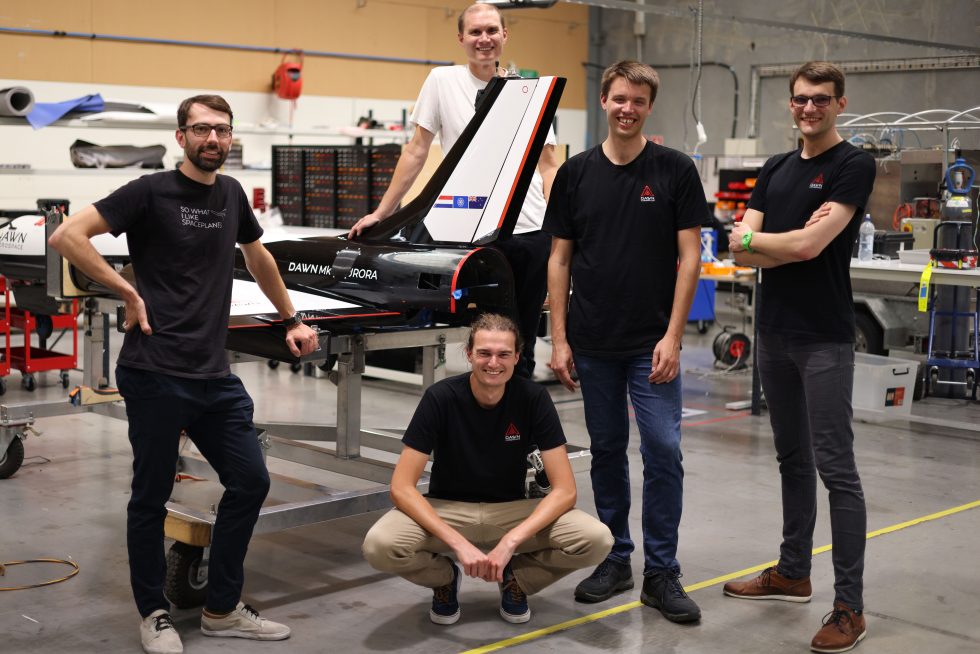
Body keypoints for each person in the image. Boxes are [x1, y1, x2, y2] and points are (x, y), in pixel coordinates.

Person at [49, 95, 319, 654]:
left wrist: (290, 316)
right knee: (150, 496)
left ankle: (221, 608)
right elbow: (68, 236)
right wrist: (125, 288)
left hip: (213, 375)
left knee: (251, 480)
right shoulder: (149, 192)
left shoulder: (231, 194)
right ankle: (154, 613)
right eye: (201, 129)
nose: (212, 139)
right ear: (181, 137)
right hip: (155, 370)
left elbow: (257, 254)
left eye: (221, 130)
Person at [544, 61, 705, 623]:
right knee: (607, 450)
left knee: (663, 450)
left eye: (637, 100)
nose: (627, 108)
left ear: (649, 106)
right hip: (592, 342)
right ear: (606, 101)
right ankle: (616, 556)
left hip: (651, 344)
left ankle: (662, 571)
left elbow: (691, 256)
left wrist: (674, 337)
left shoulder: (675, 170)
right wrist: (559, 338)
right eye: (618, 99)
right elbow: (560, 258)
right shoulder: (576, 174)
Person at [724, 61, 875, 654]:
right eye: (799, 100)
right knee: (791, 458)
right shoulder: (777, 168)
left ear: (840, 103)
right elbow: (740, 254)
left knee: (836, 469)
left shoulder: (852, 164)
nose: (808, 108)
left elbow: (809, 244)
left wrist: (767, 243)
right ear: (790, 105)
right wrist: (777, 246)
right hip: (775, 334)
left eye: (820, 99)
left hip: (825, 338)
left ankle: (850, 607)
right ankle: (793, 572)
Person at [347, 2, 558, 379]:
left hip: (531, 232)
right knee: (488, 341)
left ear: (505, 35)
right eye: (475, 32)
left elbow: (548, 164)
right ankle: (486, 425)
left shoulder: (526, 90)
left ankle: (518, 430)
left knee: (523, 344)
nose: (484, 39)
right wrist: (383, 212)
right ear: (461, 38)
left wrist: (560, 224)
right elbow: (415, 150)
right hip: (476, 234)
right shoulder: (442, 82)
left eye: (492, 30)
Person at [362, 313, 612, 625]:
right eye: (484, 353)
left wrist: (510, 543)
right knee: (379, 546)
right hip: (448, 511)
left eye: (504, 354)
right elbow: (401, 487)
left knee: (596, 539)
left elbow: (565, 490)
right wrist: (459, 545)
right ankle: (444, 579)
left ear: (517, 357)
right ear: (469, 354)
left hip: (510, 512)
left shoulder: (533, 398)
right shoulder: (440, 398)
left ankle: (516, 581)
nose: (494, 363)